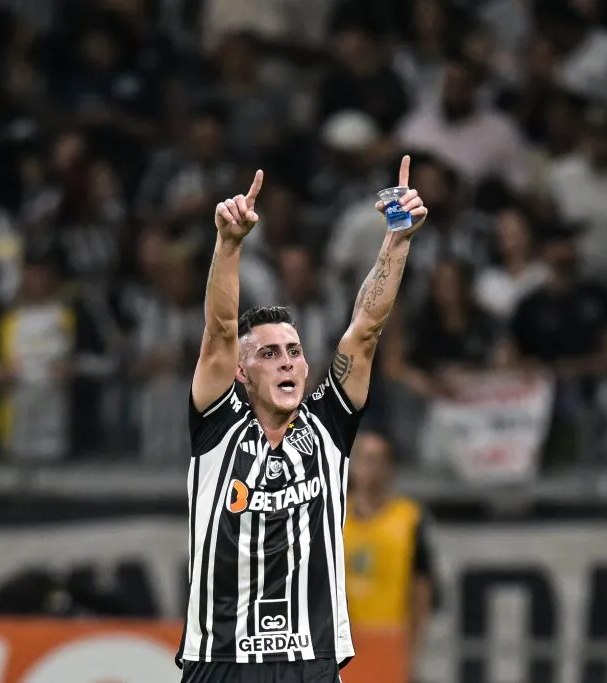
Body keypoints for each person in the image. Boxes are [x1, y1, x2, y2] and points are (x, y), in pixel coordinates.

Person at [177, 155, 428, 683]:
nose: (288, 360)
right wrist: (228, 244)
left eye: (293, 350)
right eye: (269, 354)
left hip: (307, 663)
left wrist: (397, 238)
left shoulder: (326, 429)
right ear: (243, 374)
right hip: (221, 662)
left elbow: (365, 328)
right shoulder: (219, 428)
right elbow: (221, 332)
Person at [343, 432, 436, 683]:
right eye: (363, 458)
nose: (368, 467)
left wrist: (414, 649)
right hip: (344, 641)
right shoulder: (335, 516)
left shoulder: (408, 519)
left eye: (376, 459)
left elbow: (421, 589)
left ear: (390, 469)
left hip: (390, 639)